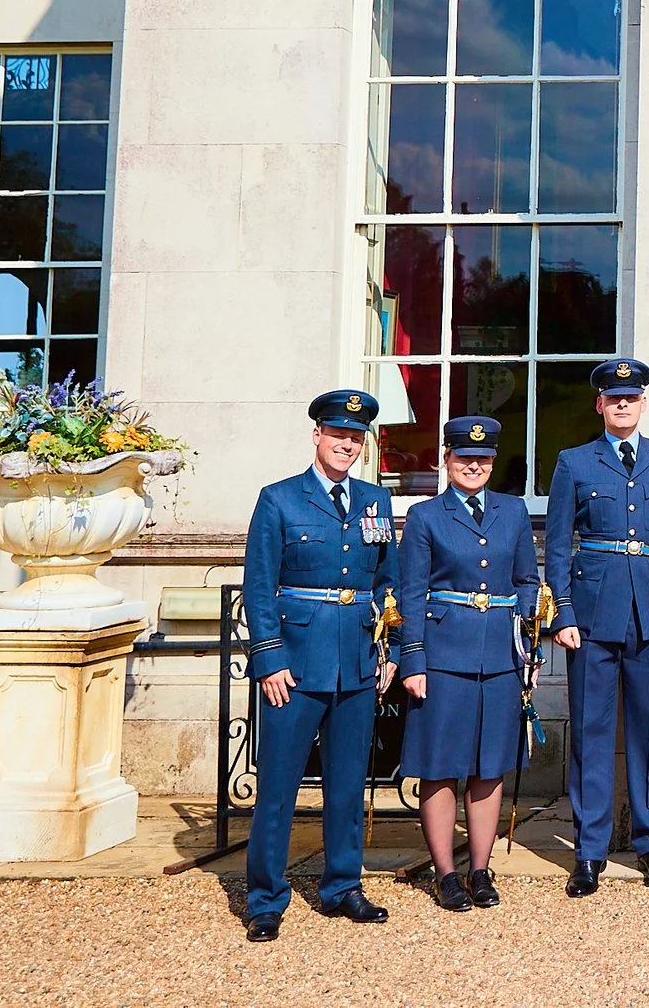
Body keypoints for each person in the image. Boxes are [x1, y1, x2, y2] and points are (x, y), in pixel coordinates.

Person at [238, 388, 398, 942]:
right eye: (338, 435)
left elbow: (388, 585)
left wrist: (390, 652)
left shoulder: (377, 501)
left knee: (348, 784)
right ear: (317, 436)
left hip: (355, 661)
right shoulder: (279, 499)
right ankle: (265, 897)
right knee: (279, 785)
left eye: (355, 438)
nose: (346, 445)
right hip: (295, 664)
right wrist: (269, 658)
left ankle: (341, 886)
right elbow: (258, 587)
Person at [544, 357, 649, 894]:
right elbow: (559, 544)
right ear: (600, 405)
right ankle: (590, 849)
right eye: (614, 398)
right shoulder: (574, 462)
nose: (623, 405)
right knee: (590, 732)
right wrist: (562, 612)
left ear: (644, 404)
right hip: (592, 615)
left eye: (632, 398)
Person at [396, 415, 542, 913]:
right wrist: (411, 658)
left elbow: (527, 579)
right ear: (446, 460)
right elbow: (410, 593)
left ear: (493, 462)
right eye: (463, 458)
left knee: (489, 767)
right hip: (442, 656)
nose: (473, 466)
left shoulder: (513, 511)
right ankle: (446, 874)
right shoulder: (425, 517)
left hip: (500, 657)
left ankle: (480, 869)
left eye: (482, 459)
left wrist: (528, 645)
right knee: (439, 768)